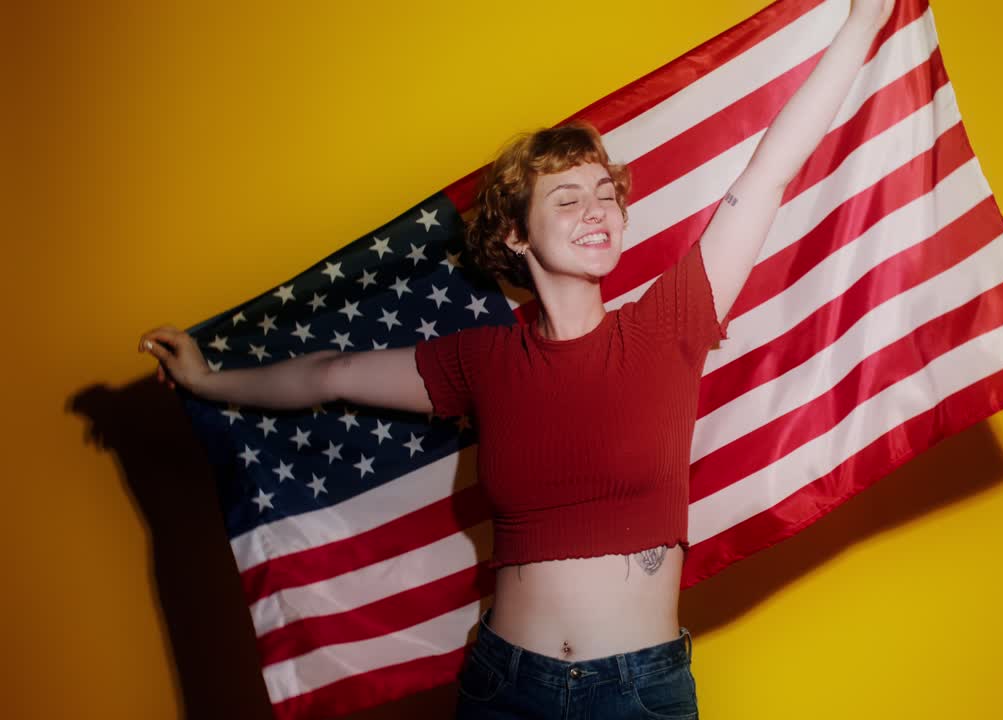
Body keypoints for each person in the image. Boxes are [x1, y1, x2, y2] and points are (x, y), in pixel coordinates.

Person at [138, 2, 895, 717]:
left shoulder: (671, 323)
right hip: (507, 685)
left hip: (639, 691)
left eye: (605, 195)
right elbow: (329, 372)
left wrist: (865, 14)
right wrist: (208, 378)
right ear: (515, 238)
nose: (596, 211)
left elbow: (767, 174)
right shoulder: (481, 361)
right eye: (566, 201)